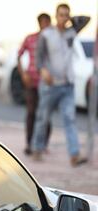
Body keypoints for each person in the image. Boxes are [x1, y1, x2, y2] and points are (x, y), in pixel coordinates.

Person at [31, 3, 87, 167]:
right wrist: (43, 71)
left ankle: (74, 155)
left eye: (66, 15)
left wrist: (72, 21)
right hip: (50, 85)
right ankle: (37, 148)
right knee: (43, 118)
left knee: (70, 118)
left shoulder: (71, 32)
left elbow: (86, 20)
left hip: (67, 85)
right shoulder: (47, 34)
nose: (63, 18)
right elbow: (39, 57)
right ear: (56, 16)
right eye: (61, 15)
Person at [17, 13, 52, 155]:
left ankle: (43, 144)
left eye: (46, 22)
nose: (44, 25)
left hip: (47, 82)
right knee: (31, 112)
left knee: (45, 114)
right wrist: (23, 74)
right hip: (31, 81)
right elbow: (19, 55)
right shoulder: (30, 38)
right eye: (42, 22)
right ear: (39, 23)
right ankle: (29, 143)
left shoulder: (52, 40)